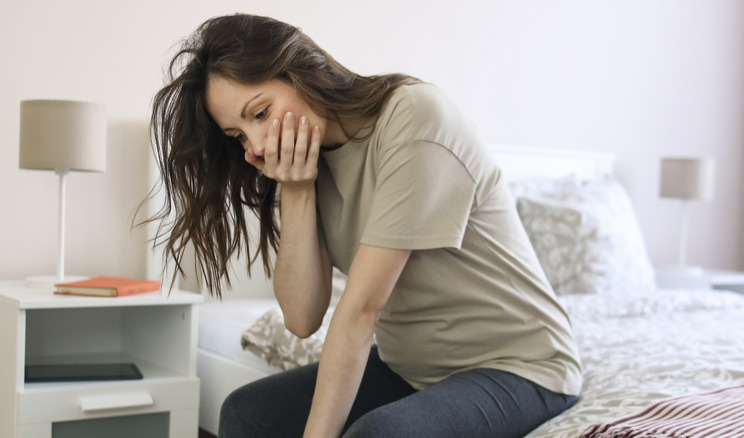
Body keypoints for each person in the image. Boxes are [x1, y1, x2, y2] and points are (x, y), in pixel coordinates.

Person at [148, 13, 581, 438]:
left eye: (260, 113)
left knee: (380, 434)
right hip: (410, 369)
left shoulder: (414, 117)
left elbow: (360, 312)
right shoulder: (304, 165)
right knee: (247, 413)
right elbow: (301, 319)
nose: (258, 146)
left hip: (520, 364)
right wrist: (297, 190)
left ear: (300, 71)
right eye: (238, 135)